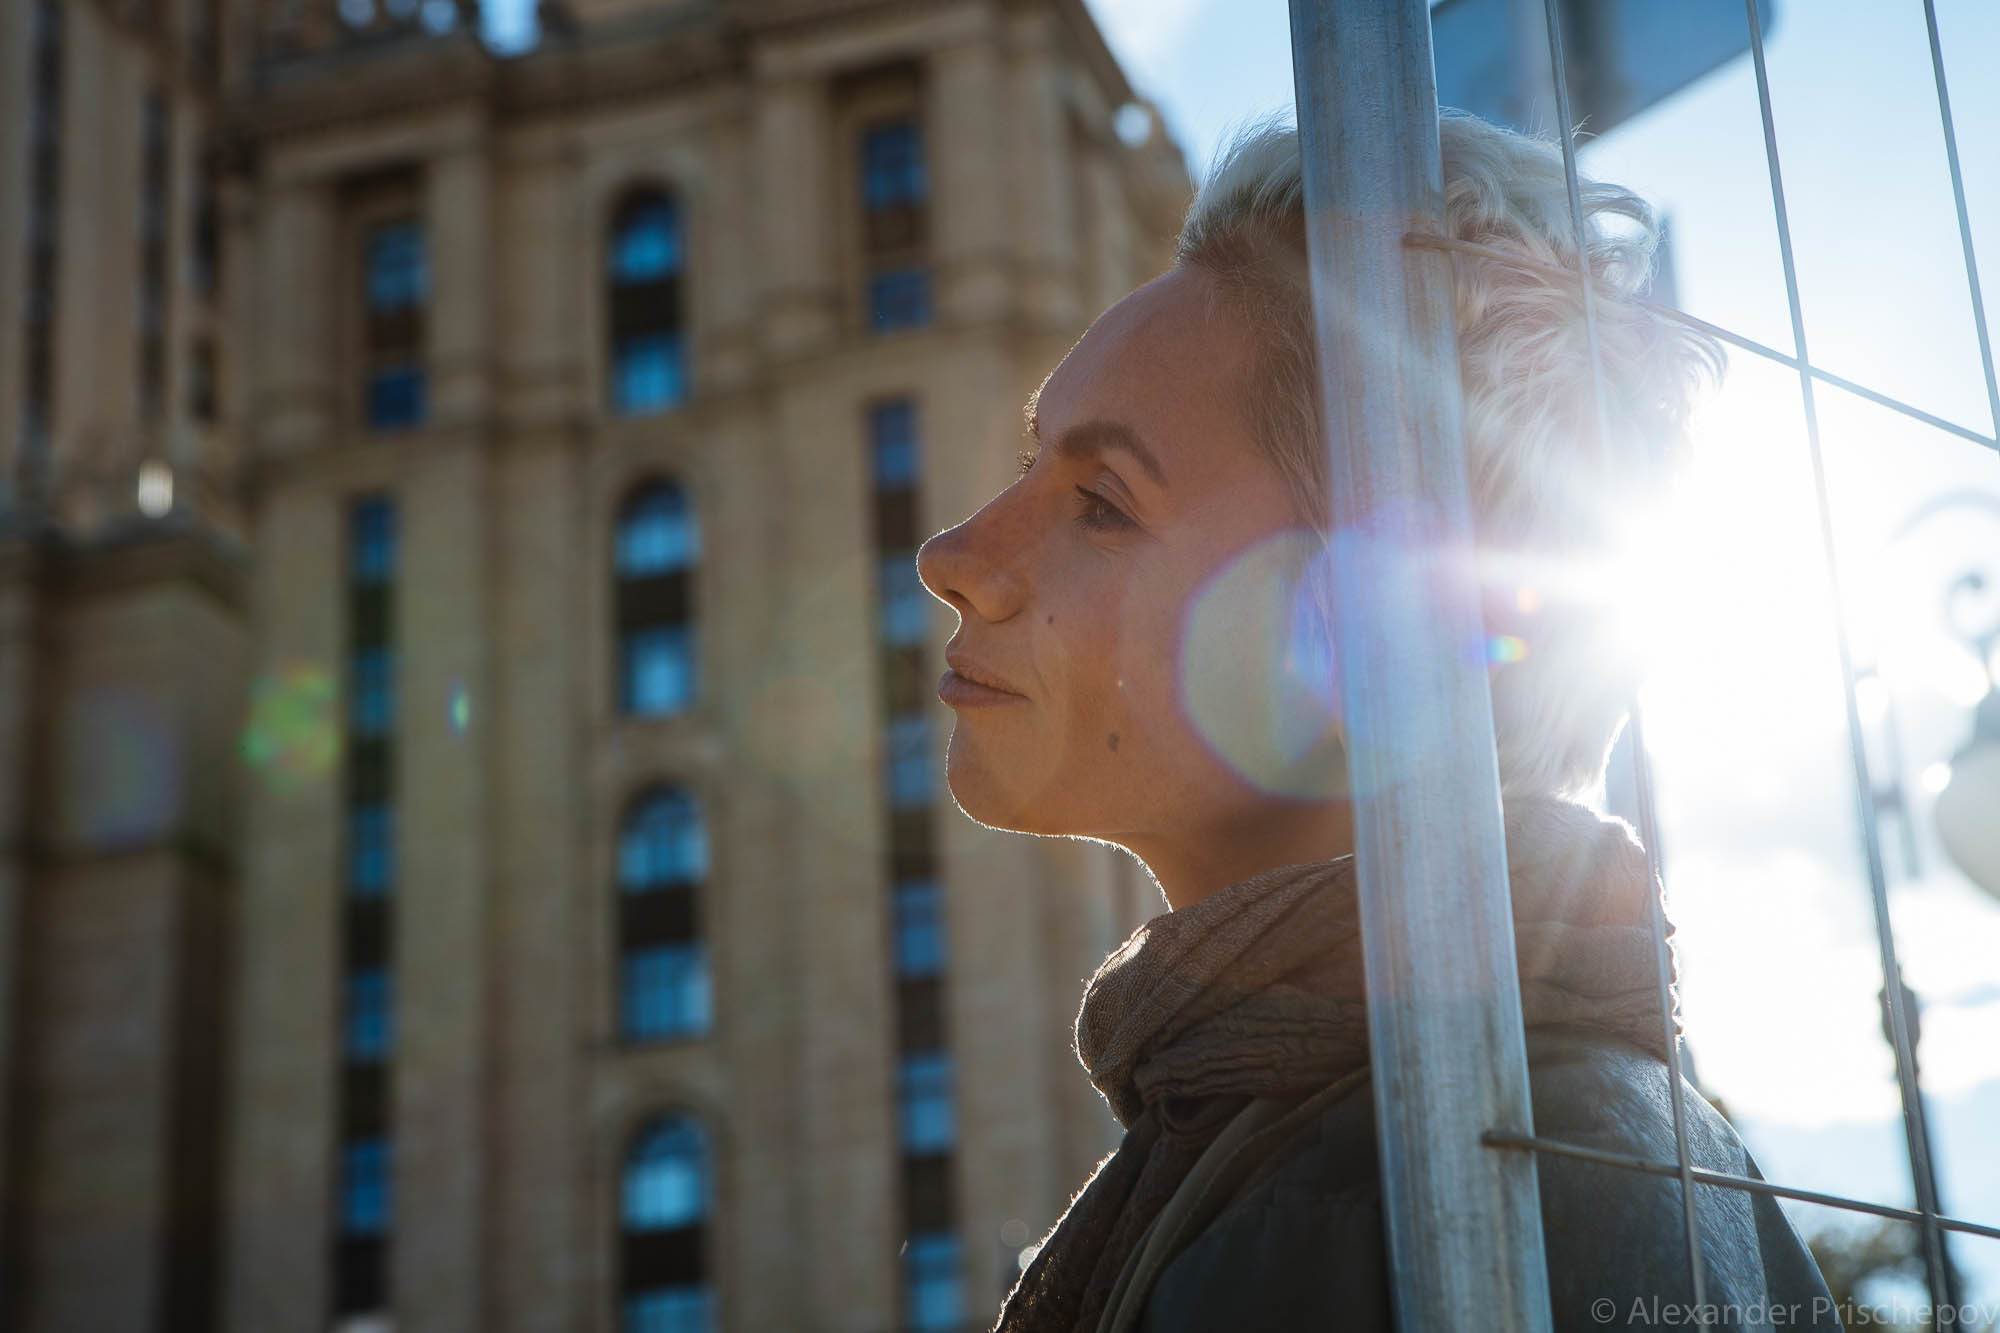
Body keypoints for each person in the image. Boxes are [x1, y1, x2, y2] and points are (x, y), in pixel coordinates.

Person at [915, 113, 1843, 1333]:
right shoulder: (1317, 1136)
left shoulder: (1436, 1190)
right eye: (1031, 461)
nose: (953, 553)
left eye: (1098, 502)